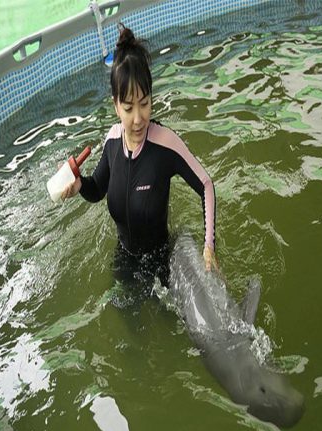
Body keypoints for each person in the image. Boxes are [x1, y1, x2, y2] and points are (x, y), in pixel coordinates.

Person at [61, 24, 220, 288]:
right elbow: (98, 189)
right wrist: (79, 185)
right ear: (115, 106)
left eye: (145, 104)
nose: (138, 118)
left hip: (162, 263)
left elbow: (206, 185)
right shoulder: (112, 140)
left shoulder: (165, 143)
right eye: (128, 108)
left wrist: (209, 246)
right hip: (125, 256)